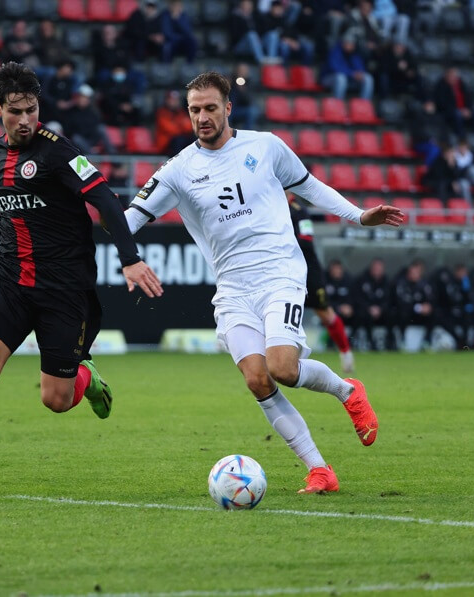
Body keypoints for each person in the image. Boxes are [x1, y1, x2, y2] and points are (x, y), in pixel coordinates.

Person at [123, 72, 404, 494]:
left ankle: (347, 391)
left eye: (210, 108)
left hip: (280, 273)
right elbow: (128, 218)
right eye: (194, 110)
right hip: (233, 288)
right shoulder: (178, 170)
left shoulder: (265, 146)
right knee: (258, 379)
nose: (202, 116)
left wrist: (358, 214)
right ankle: (320, 470)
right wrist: (128, 258)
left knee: (282, 368)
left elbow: (310, 187)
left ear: (228, 108)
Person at [0, 63, 162, 496]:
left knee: (56, 400)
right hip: (9, 280)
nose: (26, 119)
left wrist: (129, 259)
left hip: (64, 288)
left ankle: (87, 379)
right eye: (16, 111)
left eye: (31, 109)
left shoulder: (60, 152)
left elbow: (105, 198)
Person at [290, 200, 356, 373]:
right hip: (286, 271)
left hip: (309, 271)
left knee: (325, 313)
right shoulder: (270, 205)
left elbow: (306, 239)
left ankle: (345, 352)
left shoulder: (299, 210)